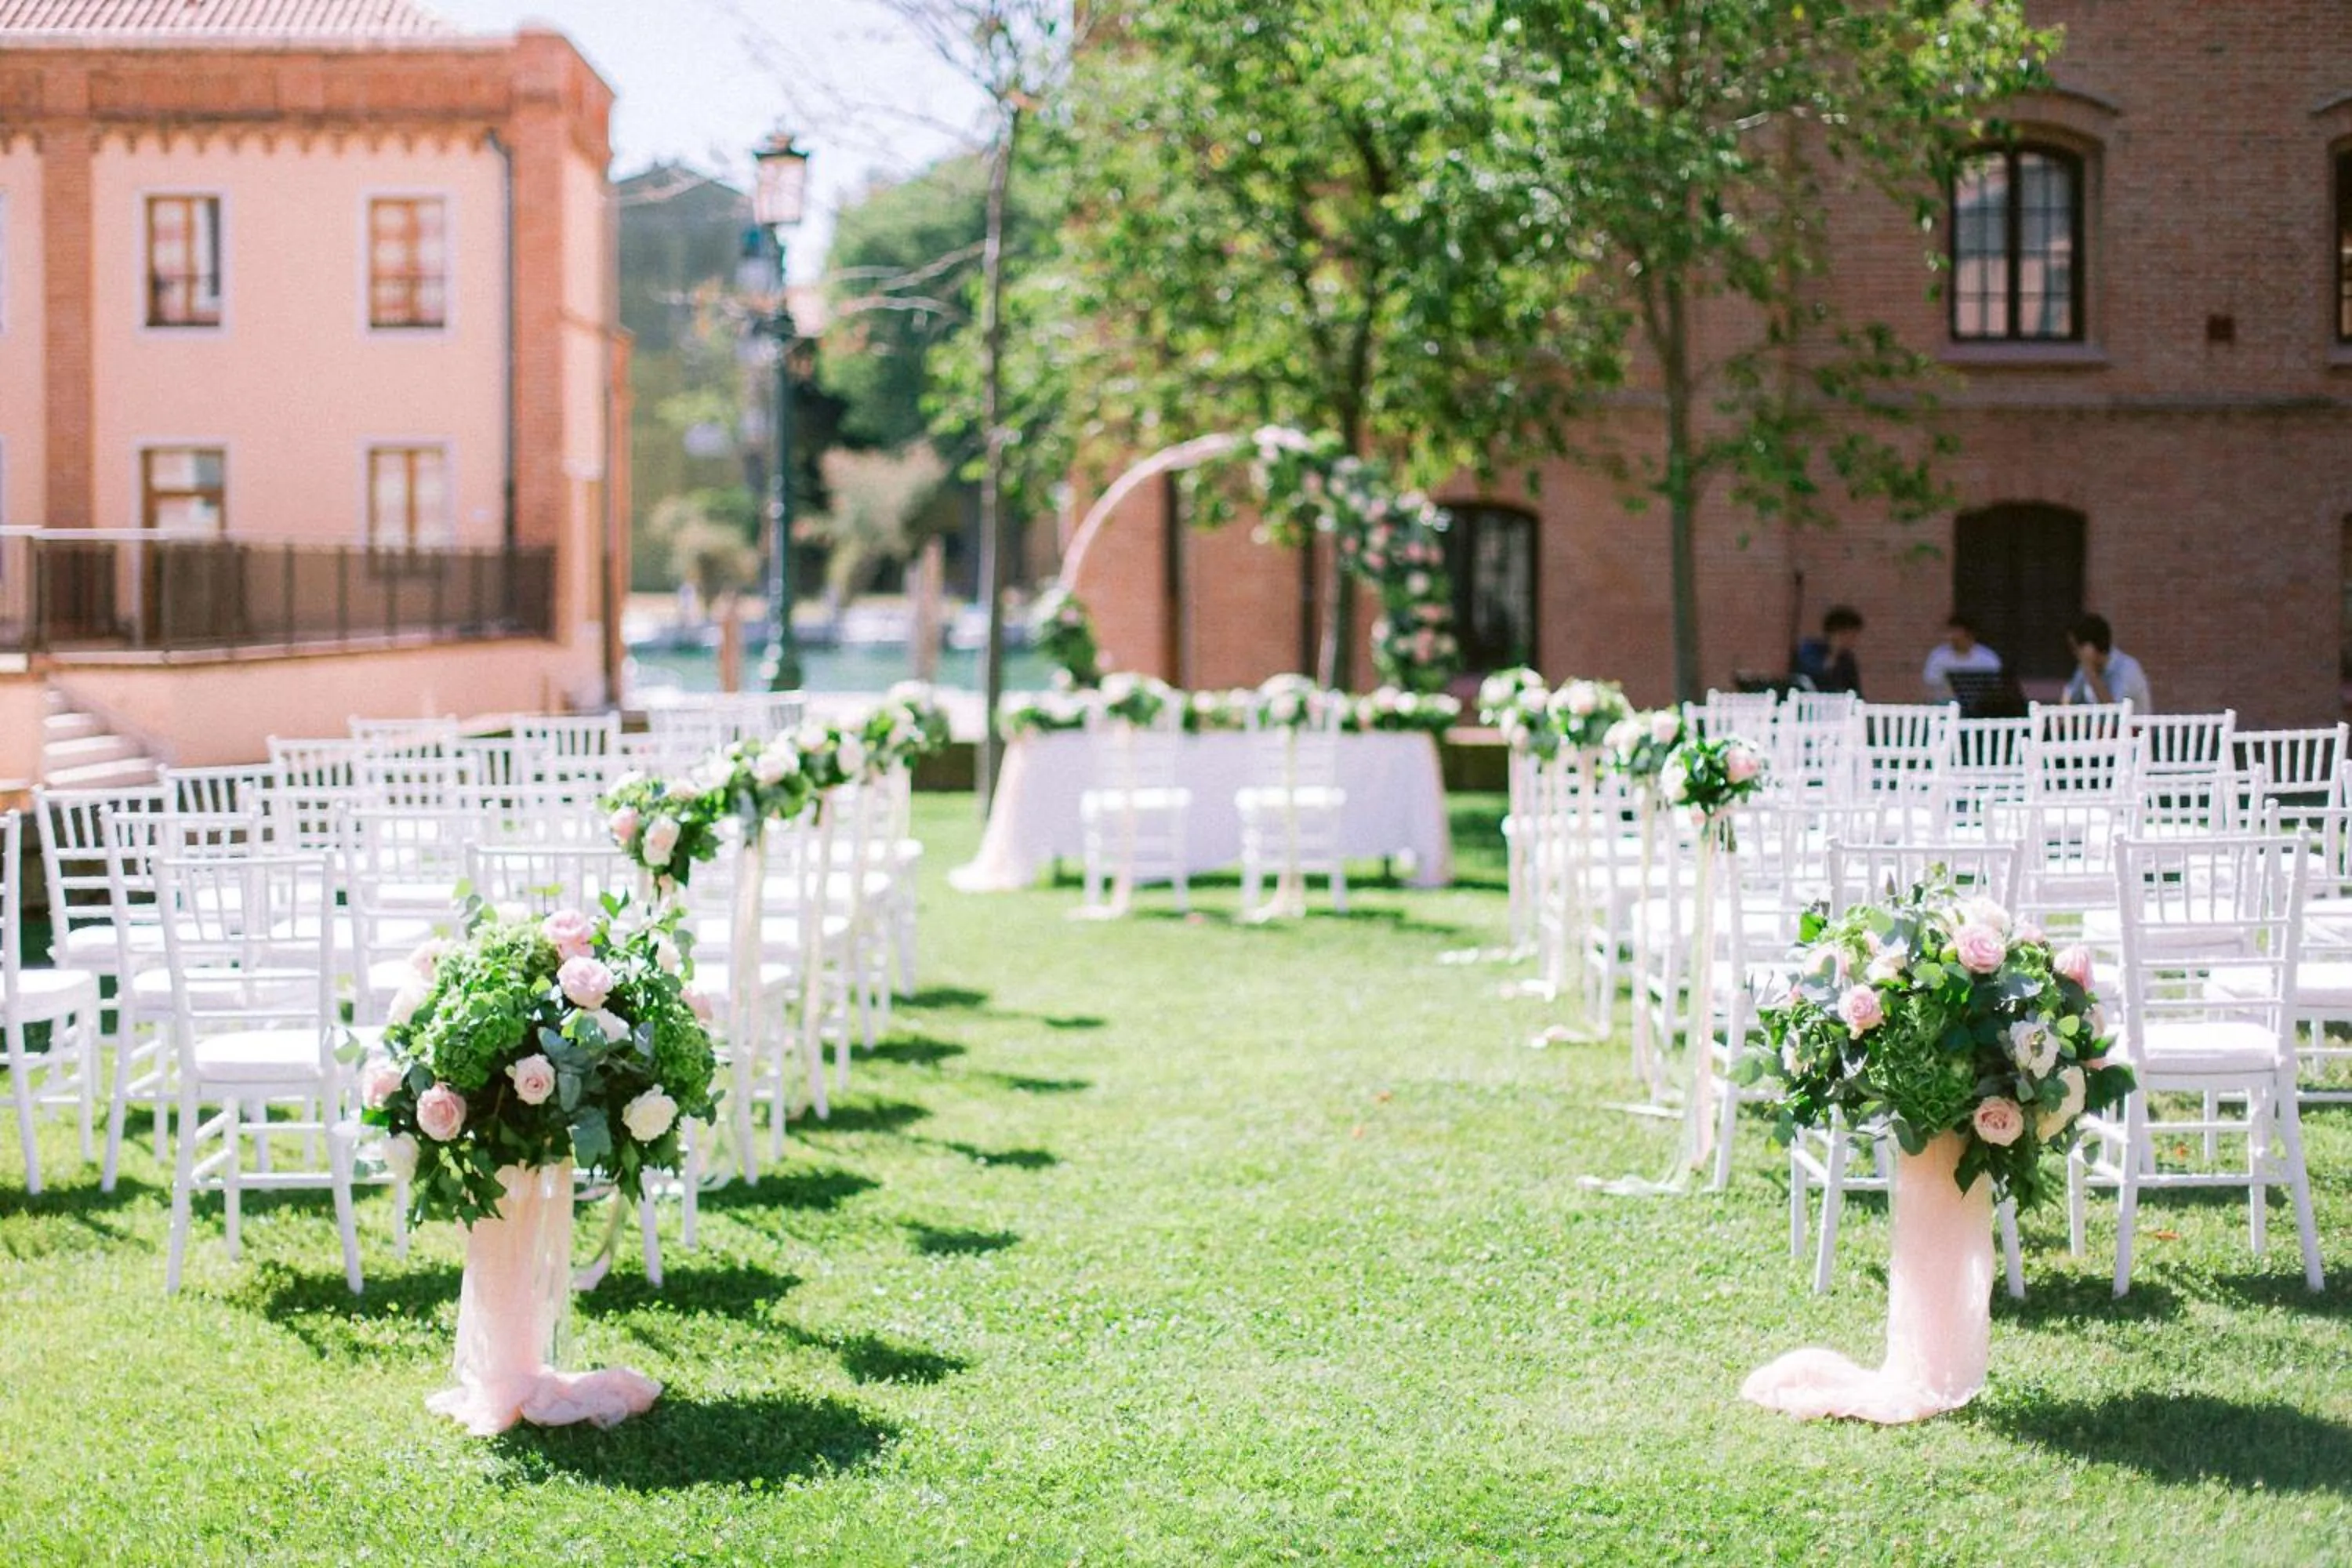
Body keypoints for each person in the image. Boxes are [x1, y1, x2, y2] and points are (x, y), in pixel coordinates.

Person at [2062, 613, 2153, 710]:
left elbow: (2113, 712)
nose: (2075, 654)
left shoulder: (2127, 669)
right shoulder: (2085, 669)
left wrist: (2091, 674)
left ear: (2089, 648)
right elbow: (2069, 697)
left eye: (2075, 648)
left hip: (2130, 724)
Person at [1922, 613, 2002, 701]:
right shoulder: (1938, 656)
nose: (1951, 637)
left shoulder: (1988, 659)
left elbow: (1995, 687)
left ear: (1970, 634)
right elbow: (1931, 685)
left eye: (1956, 633)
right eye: (1950, 632)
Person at [1793, 605, 1865, 696]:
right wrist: (1834, 652)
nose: (1853, 641)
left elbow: (1854, 689)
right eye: (1851, 636)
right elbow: (1815, 673)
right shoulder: (1809, 649)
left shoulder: (1847, 660)